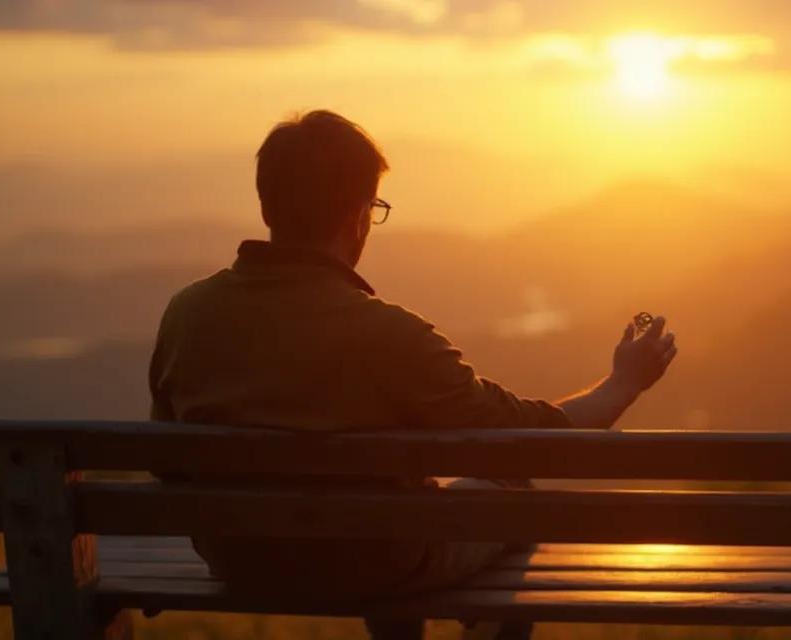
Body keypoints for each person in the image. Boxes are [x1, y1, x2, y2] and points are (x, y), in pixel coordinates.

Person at [146, 110, 678, 639]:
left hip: (240, 561)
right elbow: (527, 438)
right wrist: (622, 385)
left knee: (394, 515)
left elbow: (166, 462)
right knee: (508, 491)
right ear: (357, 215)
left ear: (266, 204)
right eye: (374, 207)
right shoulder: (390, 335)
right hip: (374, 565)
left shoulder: (187, 313)